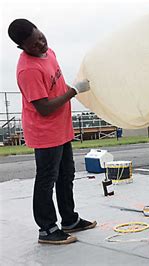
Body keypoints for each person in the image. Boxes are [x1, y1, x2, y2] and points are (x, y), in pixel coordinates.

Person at [8, 19, 96, 245]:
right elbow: (44, 108)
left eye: (40, 37)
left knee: (66, 175)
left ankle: (69, 219)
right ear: (22, 47)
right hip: (45, 132)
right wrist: (74, 91)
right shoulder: (28, 69)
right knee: (46, 180)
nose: (40, 45)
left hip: (62, 128)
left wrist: (74, 88)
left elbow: (57, 85)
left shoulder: (50, 53)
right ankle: (46, 229)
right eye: (33, 44)